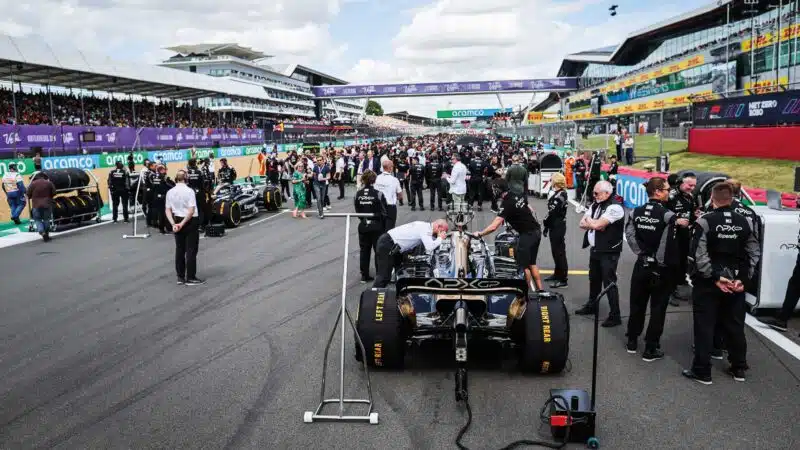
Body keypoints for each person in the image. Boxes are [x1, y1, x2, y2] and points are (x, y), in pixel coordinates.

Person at [682, 182, 760, 385]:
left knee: (704, 326)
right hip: (736, 282)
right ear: (732, 199)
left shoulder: (705, 221)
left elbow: (698, 255)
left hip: (709, 283)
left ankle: (702, 371)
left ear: (713, 199)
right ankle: (739, 368)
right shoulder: (745, 221)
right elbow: (754, 252)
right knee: (735, 326)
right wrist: (744, 280)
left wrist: (715, 277)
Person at [624, 177, 678, 361]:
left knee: (637, 304)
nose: (668, 193)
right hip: (659, 268)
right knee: (658, 308)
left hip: (641, 264)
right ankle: (650, 348)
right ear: (657, 192)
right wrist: (657, 261)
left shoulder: (635, 211)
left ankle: (632, 340)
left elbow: (629, 235)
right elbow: (666, 242)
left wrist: (641, 253)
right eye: (666, 190)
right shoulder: (668, 215)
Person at [474, 179, 544, 290]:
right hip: (536, 230)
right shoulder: (516, 194)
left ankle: (525, 293)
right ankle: (540, 290)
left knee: (523, 266)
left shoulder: (506, 204)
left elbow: (494, 226)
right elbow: (530, 209)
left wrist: (480, 234)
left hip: (527, 234)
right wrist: (519, 219)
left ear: (498, 190)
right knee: (532, 263)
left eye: (494, 189)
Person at [575, 180, 625, 328]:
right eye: (593, 192)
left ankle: (615, 315)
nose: (594, 195)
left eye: (597, 193)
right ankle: (592, 305)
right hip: (596, 249)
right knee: (594, 279)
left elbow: (595, 224)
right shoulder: (596, 204)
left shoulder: (615, 207)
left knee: (609, 282)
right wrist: (596, 224)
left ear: (607, 193)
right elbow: (582, 223)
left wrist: (594, 223)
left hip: (609, 251)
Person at [373, 219, 449, 288]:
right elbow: (429, 246)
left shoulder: (425, 226)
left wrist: (439, 238)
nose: (443, 233)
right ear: (439, 227)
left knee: (400, 273)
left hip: (394, 246)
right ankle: (372, 298)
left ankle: (399, 296)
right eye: (443, 231)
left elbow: (431, 240)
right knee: (384, 276)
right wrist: (440, 238)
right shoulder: (426, 229)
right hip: (388, 244)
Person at [165, 170, 205, 286]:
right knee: (191, 250)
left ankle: (180, 277)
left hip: (176, 220)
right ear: (186, 178)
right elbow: (191, 210)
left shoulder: (170, 192)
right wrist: (182, 224)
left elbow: (167, 210)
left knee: (180, 249)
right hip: (189, 221)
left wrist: (174, 224)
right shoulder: (189, 191)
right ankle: (191, 277)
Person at [666, 174, 697, 306]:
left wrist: (696, 216)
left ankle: (676, 286)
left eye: (694, 185)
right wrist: (676, 222)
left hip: (685, 234)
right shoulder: (670, 196)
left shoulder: (690, 197)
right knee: (671, 264)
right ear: (680, 183)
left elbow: (692, 214)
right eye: (689, 185)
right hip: (670, 235)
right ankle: (667, 293)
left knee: (681, 262)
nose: (692, 187)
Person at [354, 170, 388, 283]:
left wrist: (364, 220)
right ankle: (379, 275)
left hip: (363, 225)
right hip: (376, 226)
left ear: (363, 179)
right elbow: (384, 212)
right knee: (378, 250)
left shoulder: (357, 194)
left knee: (364, 250)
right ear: (374, 180)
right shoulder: (378, 194)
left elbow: (357, 211)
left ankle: (364, 275)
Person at [543, 173, 569, 288]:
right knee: (555, 251)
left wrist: (545, 225)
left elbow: (552, 213)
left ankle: (563, 278)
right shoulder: (559, 193)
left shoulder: (560, 196)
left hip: (557, 225)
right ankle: (557, 273)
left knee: (559, 252)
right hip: (555, 225)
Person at [26, 172, 56, 242]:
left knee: (37, 219)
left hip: (36, 205)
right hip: (47, 204)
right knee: (46, 219)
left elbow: (28, 194)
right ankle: (47, 234)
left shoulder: (32, 184)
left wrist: (32, 197)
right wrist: (49, 197)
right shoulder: (49, 183)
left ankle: (42, 232)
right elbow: (54, 192)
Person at [374, 159, 402, 230]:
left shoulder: (377, 178)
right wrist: (397, 198)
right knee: (390, 229)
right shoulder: (394, 179)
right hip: (390, 207)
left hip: (378, 206)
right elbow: (400, 195)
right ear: (391, 168)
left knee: (380, 228)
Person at [312, 154, 331, 219]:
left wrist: (323, 179)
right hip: (316, 184)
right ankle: (321, 213)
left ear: (323, 160)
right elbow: (314, 176)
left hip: (323, 184)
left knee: (322, 199)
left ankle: (321, 209)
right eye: (318, 160)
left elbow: (329, 176)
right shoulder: (315, 167)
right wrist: (316, 178)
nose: (319, 161)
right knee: (318, 198)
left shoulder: (326, 167)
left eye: (320, 160)